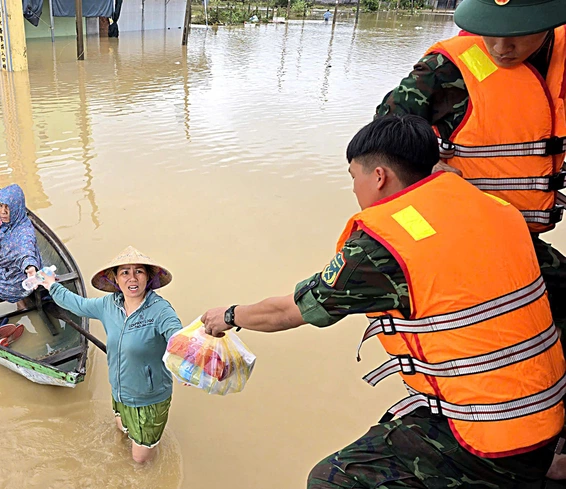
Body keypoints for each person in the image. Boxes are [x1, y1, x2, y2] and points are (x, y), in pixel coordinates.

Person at [201, 115, 566, 486]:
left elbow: (288, 311)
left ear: (379, 176)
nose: (354, 189)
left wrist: (229, 315)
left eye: (353, 177)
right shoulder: (495, 210)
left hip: (490, 440)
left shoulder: (383, 248)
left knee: (331, 479)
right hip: (549, 419)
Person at [375, 0, 566, 337]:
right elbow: (384, 131)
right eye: (490, 31)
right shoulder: (447, 69)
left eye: (518, 33)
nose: (501, 48)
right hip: (464, 234)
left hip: (522, 233)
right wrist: (427, 166)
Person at [39, 246, 182, 463]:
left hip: (148, 399)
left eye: (139, 271)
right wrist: (51, 285)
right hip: (119, 390)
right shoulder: (108, 305)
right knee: (121, 429)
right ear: (115, 278)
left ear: (148, 277)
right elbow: (78, 305)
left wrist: (189, 356)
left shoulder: (160, 310)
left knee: (140, 460)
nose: (132, 278)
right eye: (125, 272)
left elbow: (177, 335)